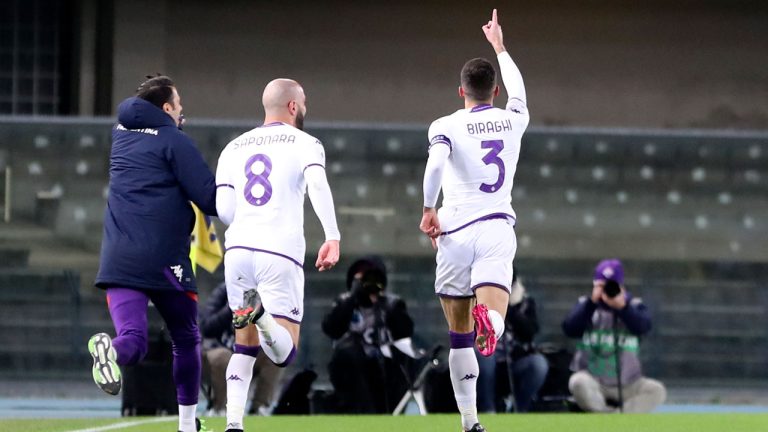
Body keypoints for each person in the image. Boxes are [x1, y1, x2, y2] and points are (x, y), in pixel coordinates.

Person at [419, 9, 529, 432]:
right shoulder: (513, 119)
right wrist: (500, 46)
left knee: (459, 334)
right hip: (497, 224)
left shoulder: (445, 124)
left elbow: (435, 165)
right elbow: (520, 91)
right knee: (494, 312)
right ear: (494, 90)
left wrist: (430, 208)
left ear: (460, 91)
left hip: (454, 230)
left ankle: (469, 422)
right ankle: (493, 323)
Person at [88, 74, 217, 432]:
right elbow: (208, 197)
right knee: (186, 338)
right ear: (166, 108)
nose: (182, 113)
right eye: (179, 106)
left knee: (134, 341)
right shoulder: (175, 140)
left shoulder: (121, 135)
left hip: (118, 258)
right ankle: (188, 425)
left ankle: (109, 351)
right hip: (164, 260)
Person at [215, 78, 341, 432]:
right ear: (292, 107)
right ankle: (263, 317)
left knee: (243, 347)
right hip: (279, 250)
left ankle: (234, 424)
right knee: (283, 353)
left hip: (237, 249)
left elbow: (224, 210)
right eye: (304, 102)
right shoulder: (306, 143)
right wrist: (332, 235)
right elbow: (317, 184)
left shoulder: (232, 147)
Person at [562, 259, 667, 413]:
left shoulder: (634, 306)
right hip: (593, 380)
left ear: (622, 286)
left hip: (628, 382)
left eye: (611, 286)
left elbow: (644, 327)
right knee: (577, 382)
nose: (607, 290)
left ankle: (619, 415)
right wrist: (592, 303)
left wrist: (622, 307)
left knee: (657, 391)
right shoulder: (586, 305)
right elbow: (570, 329)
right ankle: (603, 412)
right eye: (601, 285)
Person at [321, 256, 417, 413]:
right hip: (352, 367)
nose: (367, 283)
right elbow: (331, 329)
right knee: (347, 357)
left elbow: (405, 332)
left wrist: (384, 306)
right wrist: (353, 297)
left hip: (386, 368)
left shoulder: (392, 303)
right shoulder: (344, 302)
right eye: (361, 279)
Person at [199, 282, 284, 416]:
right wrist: (231, 309)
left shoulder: (266, 293)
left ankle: (259, 408)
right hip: (217, 351)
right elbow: (206, 327)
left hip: (249, 353)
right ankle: (219, 408)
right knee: (223, 356)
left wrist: (260, 314)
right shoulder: (223, 291)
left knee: (276, 352)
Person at [475, 271, 548, 413]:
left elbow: (530, 333)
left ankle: (519, 410)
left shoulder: (525, 303)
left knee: (538, 364)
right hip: (485, 366)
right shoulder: (479, 300)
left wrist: (510, 309)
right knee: (483, 354)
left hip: (514, 364)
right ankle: (487, 410)